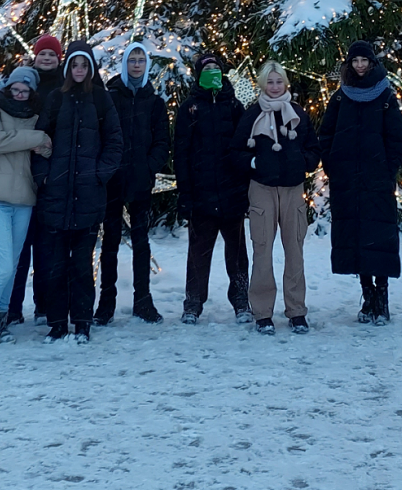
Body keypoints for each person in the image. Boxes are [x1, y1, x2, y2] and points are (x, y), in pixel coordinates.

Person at [33, 40, 123, 343]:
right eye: (75, 64)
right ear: (68, 67)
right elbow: (40, 141)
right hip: (56, 195)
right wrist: (45, 177)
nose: (80, 69)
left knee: (83, 264)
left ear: (91, 67)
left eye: (84, 64)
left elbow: (114, 141)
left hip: (88, 196)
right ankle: (58, 323)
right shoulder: (56, 99)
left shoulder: (101, 98)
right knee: (56, 265)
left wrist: (98, 174)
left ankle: (83, 321)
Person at [318, 41, 402, 325]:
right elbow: (326, 134)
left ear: (372, 63)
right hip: (347, 181)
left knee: (379, 237)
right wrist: (333, 166)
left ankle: (382, 296)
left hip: (376, 180)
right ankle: (367, 294)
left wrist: (387, 169)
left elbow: (397, 137)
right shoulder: (340, 97)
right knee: (357, 238)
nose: (359, 65)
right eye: (355, 60)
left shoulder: (385, 95)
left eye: (364, 60)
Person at [233, 60, 320, 336]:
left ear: (285, 83)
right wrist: (254, 162)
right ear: (262, 84)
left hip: (293, 190)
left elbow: (313, 148)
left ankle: (297, 311)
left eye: (278, 81)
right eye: (269, 82)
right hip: (262, 189)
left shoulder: (298, 114)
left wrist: (301, 162)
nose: (274, 86)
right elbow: (235, 151)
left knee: (295, 250)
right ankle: (262, 313)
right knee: (262, 252)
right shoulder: (252, 115)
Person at [0, 67, 52, 347]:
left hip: (25, 199)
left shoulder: (36, 117)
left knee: (14, 265)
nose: (19, 94)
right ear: (8, 88)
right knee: (4, 266)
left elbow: (48, 149)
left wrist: (35, 141)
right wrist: (35, 138)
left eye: (25, 90)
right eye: (15, 88)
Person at [173, 51, 251, 326]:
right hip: (201, 194)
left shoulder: (235, 106)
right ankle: (193, 303)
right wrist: (185, 193)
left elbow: (244, 148)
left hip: (232, 193)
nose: (211, 73)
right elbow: (181, 154)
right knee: (198, 254)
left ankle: (241, 300)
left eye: (215, 68)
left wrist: (244, 187)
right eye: (206, 69)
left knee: (237, 254)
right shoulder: (190, 108)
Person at [96, 40, 170, 326]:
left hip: (140, 182)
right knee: (110, 244)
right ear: (124, 63)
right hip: (113, 181)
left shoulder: (155, 102)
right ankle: (106, 303)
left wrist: (149, 167)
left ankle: (143, 301)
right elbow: (103, 136)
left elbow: (162, 141)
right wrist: (108, 168)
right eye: (132, 60)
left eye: (141, 60)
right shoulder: (111, 98)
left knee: (141, 242)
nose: (136, 65)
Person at [4, 34, 64, 326]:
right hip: (20, 173)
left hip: (52, 174)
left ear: (59, 59)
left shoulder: (65, 86)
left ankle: (43, 304)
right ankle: (13, 307)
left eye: (52, 55)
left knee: (45, 246)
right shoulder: (23, 84)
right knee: (20, 245)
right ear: (35, 56)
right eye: (43, 54)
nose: (47, 59)